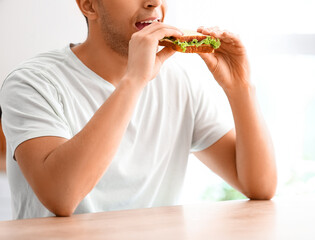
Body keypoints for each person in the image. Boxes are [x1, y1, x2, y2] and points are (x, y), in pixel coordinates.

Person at [0, 0, 277, 219]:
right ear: (89, 5)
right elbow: (61, 196)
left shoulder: (179, 81)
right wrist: (134, 81)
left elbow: (259, 186)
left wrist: (240, 88)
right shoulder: (31, 82)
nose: (154, 2)